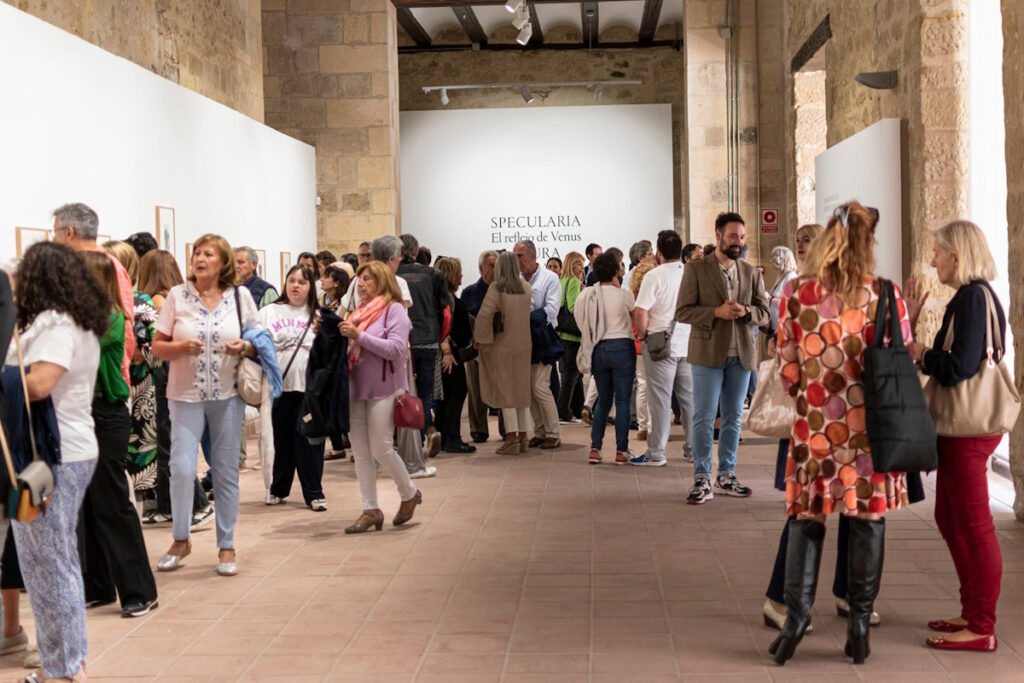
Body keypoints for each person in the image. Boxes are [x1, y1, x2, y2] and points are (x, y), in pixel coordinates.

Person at [769, 201, 911, 665]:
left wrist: (813, 394)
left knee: (807, 520)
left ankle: (794, 624)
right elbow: (901, 358)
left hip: (816, 431)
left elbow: (786, 367)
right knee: (868, 521)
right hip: (870, 431)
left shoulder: (799, 294)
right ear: (867, 245)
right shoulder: (885, 294)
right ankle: (859, 627)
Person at [7, 242, 110, 681]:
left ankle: (67, 669)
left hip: (51, 458)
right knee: (47, 561)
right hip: (54, 454)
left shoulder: (55, 323)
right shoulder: (76, 319)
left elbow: (42, 383)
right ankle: (60, 665)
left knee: (49, 563)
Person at [904, 220, 1005, 653]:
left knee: (976, 525)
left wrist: (921, 353)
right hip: (962, 428)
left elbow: (959, 367)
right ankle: (971, 610)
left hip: (968, 429)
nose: (932, 261)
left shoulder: (972, 299)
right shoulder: (972, 297)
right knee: (949, 517)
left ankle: (981, 625)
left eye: (937, 253)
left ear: (956, 257)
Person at [764, 223, 868, 634]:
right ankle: (780, 599)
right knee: (807, 514)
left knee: (855, 512)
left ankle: (849, 596)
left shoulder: (865, 295)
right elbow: (786, 361)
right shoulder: (798, 294)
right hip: (815, 424)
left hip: (852, 425)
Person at [152, 234, 262, 577]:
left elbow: (259, 342)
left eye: (208, 254)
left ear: (223, 261)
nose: (200, 258)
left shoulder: (240, 297)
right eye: (197, 252)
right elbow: (157, 346)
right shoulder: (177, 296)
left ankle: (226, 544)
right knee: (182, 468)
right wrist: (181, 347)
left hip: (228, 397)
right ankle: (181, 538)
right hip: (185, 396)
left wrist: (243, 346)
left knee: (226, 471)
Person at [77, 252, 160, 619]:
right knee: (89, 501)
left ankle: (140, 590)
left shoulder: (111, 317)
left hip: (107, 412)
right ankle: (99, 585)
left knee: (111, 498)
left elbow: (80, 347)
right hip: (82, 413)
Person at [677, 213, 769, 503]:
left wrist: (746, 311)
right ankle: (702, 478)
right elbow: (683, 311)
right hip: (706, 354)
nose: (738, 243)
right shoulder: (696, 270)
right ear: (718, 235)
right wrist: (716, 312)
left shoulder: (751, 273)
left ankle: (726, 474)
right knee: (703, 417)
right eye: (733, 237)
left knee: (733, 418)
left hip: (741, 355)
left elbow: (765, 313)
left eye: (742, 238)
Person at [340, 261, 422, 533]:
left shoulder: (394, 310)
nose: (361, 284)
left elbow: (396, 349)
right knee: (361, 453)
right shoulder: (358, 313)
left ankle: (409, 492)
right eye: (360, 280)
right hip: (355, 388)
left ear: (383, 282)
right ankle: (370, 509)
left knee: (381, 447)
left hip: (385, 389)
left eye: (368, 279)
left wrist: (359, 336)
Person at [137, 251, 213, 528]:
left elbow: (155, 345)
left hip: (165, 374)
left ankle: (198, 504)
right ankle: (170, 506)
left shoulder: (158, 301)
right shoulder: (183, 298)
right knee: (172, 441)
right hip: (181, 373)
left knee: (169, 441)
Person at [262, 265, 324, 510]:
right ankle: (278, 489)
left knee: (308, 441)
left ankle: (314, 493)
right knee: (282, 440)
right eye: (292, 281)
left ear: (311, 287)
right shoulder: (269, 312)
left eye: (302, 282)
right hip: (279, 388)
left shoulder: (318, 315)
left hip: (309, 390)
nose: (296, 286)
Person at [50, 203, 134, 385]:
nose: (53, 239)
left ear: (69, 232)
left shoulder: (104, 267)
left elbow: (123, 323)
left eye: (54, 232)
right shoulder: (103, 265)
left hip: (102, 381)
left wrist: (120, 373)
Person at [630, 230, 693, 467]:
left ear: (658, 251)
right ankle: (693, 450)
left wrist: (644, 335)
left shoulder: (654, 276)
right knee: (689, 400)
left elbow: (641, 311)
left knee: (660, 400)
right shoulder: (690, 273)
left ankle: (656, 452)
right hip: (687, 343)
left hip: (659, 344)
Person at [574, 253, 636, 464]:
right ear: (616, 271)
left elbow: (579, 319)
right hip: (622, 347)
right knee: (622, 401)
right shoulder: (625, 295)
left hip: (599, 348)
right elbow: (636, 320)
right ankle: (621, 451)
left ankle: (595, 448)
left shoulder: (589, 294)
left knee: (602, 401)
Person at [474, 252, 533, 455]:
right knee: (521, 391)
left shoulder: (496, 287)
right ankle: (525, 435)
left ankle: (512, 437)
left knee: (506, 390)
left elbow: (484, 316)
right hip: (524, 345)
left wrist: (481, 339)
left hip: (503, 346)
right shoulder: (526, 287)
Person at [396, 234, 450, 457]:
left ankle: (411, 443)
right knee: (425, 394)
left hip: (402, 341)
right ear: (416, 252)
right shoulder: (434, 274)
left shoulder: (391, 274)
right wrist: (440, 337)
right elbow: (446, 313)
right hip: (428, 340)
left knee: (402, 393)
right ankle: (422, 436)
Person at [513, 240, 562, 449]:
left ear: (532, 256)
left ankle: (554, 432)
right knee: (529, 389)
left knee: (540, 386)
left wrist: (523, 316)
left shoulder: (550, 279)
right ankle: (540, 431)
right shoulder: (516, 279)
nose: (517, 261)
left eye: (519, 256)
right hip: (522, 339)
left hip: (542, 338)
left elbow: (551, 311)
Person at [434, 257, 476, 454]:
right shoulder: (446, 299)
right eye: (458, 272)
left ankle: (445, 436)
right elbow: (444, 328)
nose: (461, 276)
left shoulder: (442, 297)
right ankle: (452, 437)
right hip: (449, 354)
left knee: (447, 396)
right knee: (457, 393)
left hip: (446, 353)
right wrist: (448, 351)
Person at [462, 250, 498, 443]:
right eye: (491, 266)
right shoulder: (469, 293)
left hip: (499, 347)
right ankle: (478, 429)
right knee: (476, 390)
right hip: (476, 348)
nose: (494, 270)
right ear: (480, 268)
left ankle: (506, 428)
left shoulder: (504, 291)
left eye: (496, 266)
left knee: (502, 388)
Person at [556, 252, 585, 424]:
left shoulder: (560, 281)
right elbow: (574, 307)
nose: (582, 267)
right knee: (571, 374)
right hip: (572, 334)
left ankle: (569, 410)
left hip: (561, 332)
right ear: (572, 265)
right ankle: (564, 412)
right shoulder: (574, 282)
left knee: (567, 373)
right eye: (579, 264)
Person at [628, 262, 655, 441]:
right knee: (656, 387)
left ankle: (642, 426)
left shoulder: (632, 298)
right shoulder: (651, 297)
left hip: (636, 345)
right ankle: (654, 427)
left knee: (642, 385)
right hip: (651, 342)